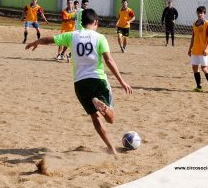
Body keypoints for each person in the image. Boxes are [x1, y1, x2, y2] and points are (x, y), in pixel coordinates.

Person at [25, 9, 133, 156]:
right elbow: (109, 60)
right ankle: (101, 105)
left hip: (80, 84)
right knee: (111, 118)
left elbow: (48, 40)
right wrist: (122, 81)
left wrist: (36, 42)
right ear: (96, 22)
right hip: (98, 79)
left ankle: (111, 149)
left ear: (81, 22)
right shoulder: (100, 37)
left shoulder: (72, 35)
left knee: (95, 117)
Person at [188, 6, 208, 93]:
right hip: (195, 50)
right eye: (198, 13)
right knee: (194, 68)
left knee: (204, 68)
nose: (200, 14)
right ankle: (199, 87)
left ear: (204, 14)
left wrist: (207, 48)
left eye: (201, 13)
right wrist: (190, 48)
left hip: (203, 50)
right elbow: (193, 36)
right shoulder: (194, 23)